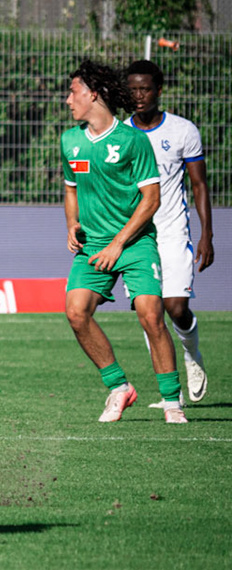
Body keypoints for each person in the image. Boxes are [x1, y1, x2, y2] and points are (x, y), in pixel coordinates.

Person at [59, 60, 185, 424]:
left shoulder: (133, 141)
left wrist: (118, 244)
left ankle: (172, 402)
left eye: (73, 92)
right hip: (93, 244)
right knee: (75, 312)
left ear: (93, 94)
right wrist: (71, 223)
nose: (69, 100)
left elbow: (151, 200)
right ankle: (118, 387)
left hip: (135, 243)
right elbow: (70, 189)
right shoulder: (71, 140)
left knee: (151, 314)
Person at [125, 59, 211, 402]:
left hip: (174, 234)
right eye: (132, 90)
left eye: (145, 89)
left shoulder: (182, 131)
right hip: (138, 238)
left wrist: (207, 235)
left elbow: (199, 185)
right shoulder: (120, 134)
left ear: (158, 90)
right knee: (150, 312)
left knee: (175, 307)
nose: (138, 96)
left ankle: (192, 354)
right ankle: (168, 389)